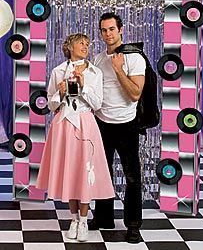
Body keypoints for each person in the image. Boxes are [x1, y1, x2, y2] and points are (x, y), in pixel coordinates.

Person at [36, 33, 115, 242]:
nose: (85, 46)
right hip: (63, 124)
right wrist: (60, 94)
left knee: (84, 169)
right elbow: (51, 106)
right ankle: (73, 218)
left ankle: (83, 220)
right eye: (80, 43)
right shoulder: (57, 71)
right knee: (69, 169)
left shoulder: (94, 72)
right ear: (69, 46)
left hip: (85, 122)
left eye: (87, 43)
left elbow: (97, 104)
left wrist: (84, 85)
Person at [89, 13, 146, 244]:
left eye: (112, 29)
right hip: (102, 123)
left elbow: (134, 94)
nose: (108, 34)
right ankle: (104, 217)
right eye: (104, 30)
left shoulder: (134, 58)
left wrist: (119, 69)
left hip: (126, 125)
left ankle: (133, 226)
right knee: (103, 174)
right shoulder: (98, 58)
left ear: (121, 30)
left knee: (132, 177)